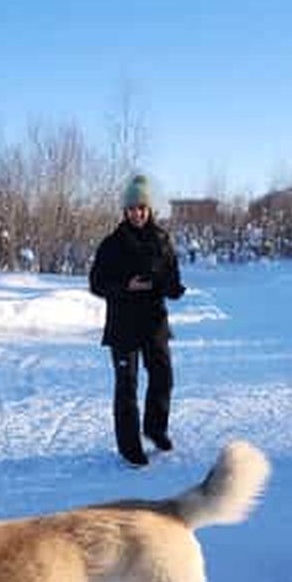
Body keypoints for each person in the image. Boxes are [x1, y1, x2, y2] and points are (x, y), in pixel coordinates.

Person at [89, 174, 186, 466]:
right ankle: (130, 447)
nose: (137, 213)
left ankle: (155, 429)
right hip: (123, 325)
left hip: (154, 321)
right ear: (125, 211)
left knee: (163, 377)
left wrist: (172, 288)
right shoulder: (112, 244)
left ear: (149, 209)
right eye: (132, 209)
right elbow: (96, 283)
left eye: (142, 208)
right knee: (126, 385)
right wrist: (125, 287)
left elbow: (172, 277)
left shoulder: (162, 239)